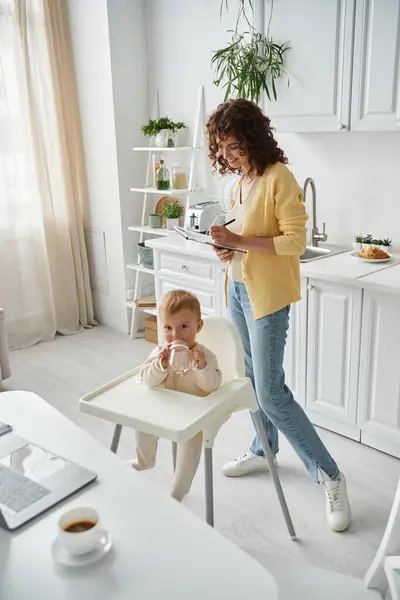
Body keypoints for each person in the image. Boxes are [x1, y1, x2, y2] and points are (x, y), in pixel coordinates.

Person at [206, 98, 351, 532]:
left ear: (253, 138)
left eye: (235, 146)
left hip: (267, 296)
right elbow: (244, 237)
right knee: (251, 382)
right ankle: (263, 448)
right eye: (222, 148)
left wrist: (240, 240)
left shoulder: (278, 177)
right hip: (237, 288)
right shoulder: (240, 182)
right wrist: (225, 248)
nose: (228, 156)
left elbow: (293, 242)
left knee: (270, 392)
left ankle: (330, 474)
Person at [131, 290, 222, 502]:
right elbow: (146, 378)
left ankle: (178, 491)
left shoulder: (204, 355)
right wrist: (160, 365)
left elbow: (212, 385)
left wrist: (202, 366)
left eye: (183, 326)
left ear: (198, 326)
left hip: (191, 415)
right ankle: (144, 460)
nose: (176, 335)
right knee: (142, 420)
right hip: (165, 408)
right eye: (168, 328)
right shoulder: (161, 352)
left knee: (190, 442)